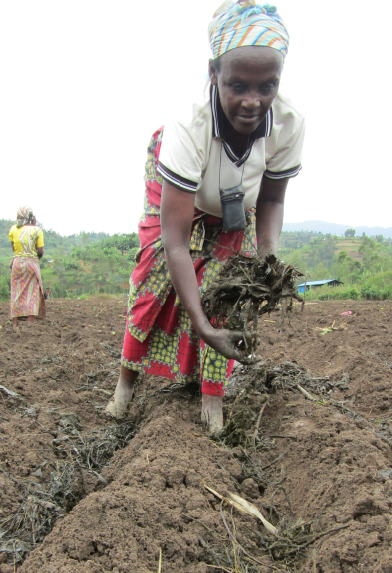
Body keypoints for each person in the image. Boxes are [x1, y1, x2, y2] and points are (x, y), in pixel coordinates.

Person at [105, 0, 304, 433]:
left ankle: (212, 401)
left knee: (228, 291)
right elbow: (175, 241)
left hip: (237, 204)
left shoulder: (289, 123)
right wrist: (197, 323)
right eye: (238, 85)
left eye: (267, 86)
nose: (253, 102)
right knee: (153, 283)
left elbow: (270, 200)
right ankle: (125, 386)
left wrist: (267, 258)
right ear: (214, 74)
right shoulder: (187, 125)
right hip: (179, 194)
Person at [8, 207, 45, 326]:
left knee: (16, 291)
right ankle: (30, 322)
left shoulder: (13, 229)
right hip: (31, 262)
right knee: (32, 292)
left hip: (17, 262)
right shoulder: (37, 230)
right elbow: (40, 252)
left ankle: (15, 321)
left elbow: (14, 248)